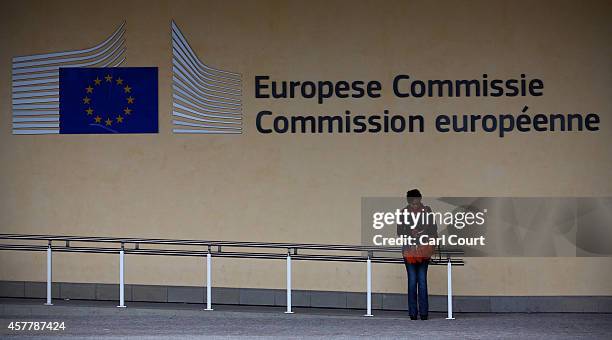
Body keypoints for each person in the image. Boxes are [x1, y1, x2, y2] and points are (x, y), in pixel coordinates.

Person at [397, 189, 438, 320]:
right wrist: (410, 232)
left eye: (418, 202)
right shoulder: (403, 213)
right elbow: (399, 231)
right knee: (412, 281)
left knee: (422, 280)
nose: (416, 205)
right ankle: (413, 313)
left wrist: (423, 233)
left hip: (424, 249)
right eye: (414, 203)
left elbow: (434, 228)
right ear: (409, 202)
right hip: (409, 250)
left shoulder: (427, 210)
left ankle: (424, 313)